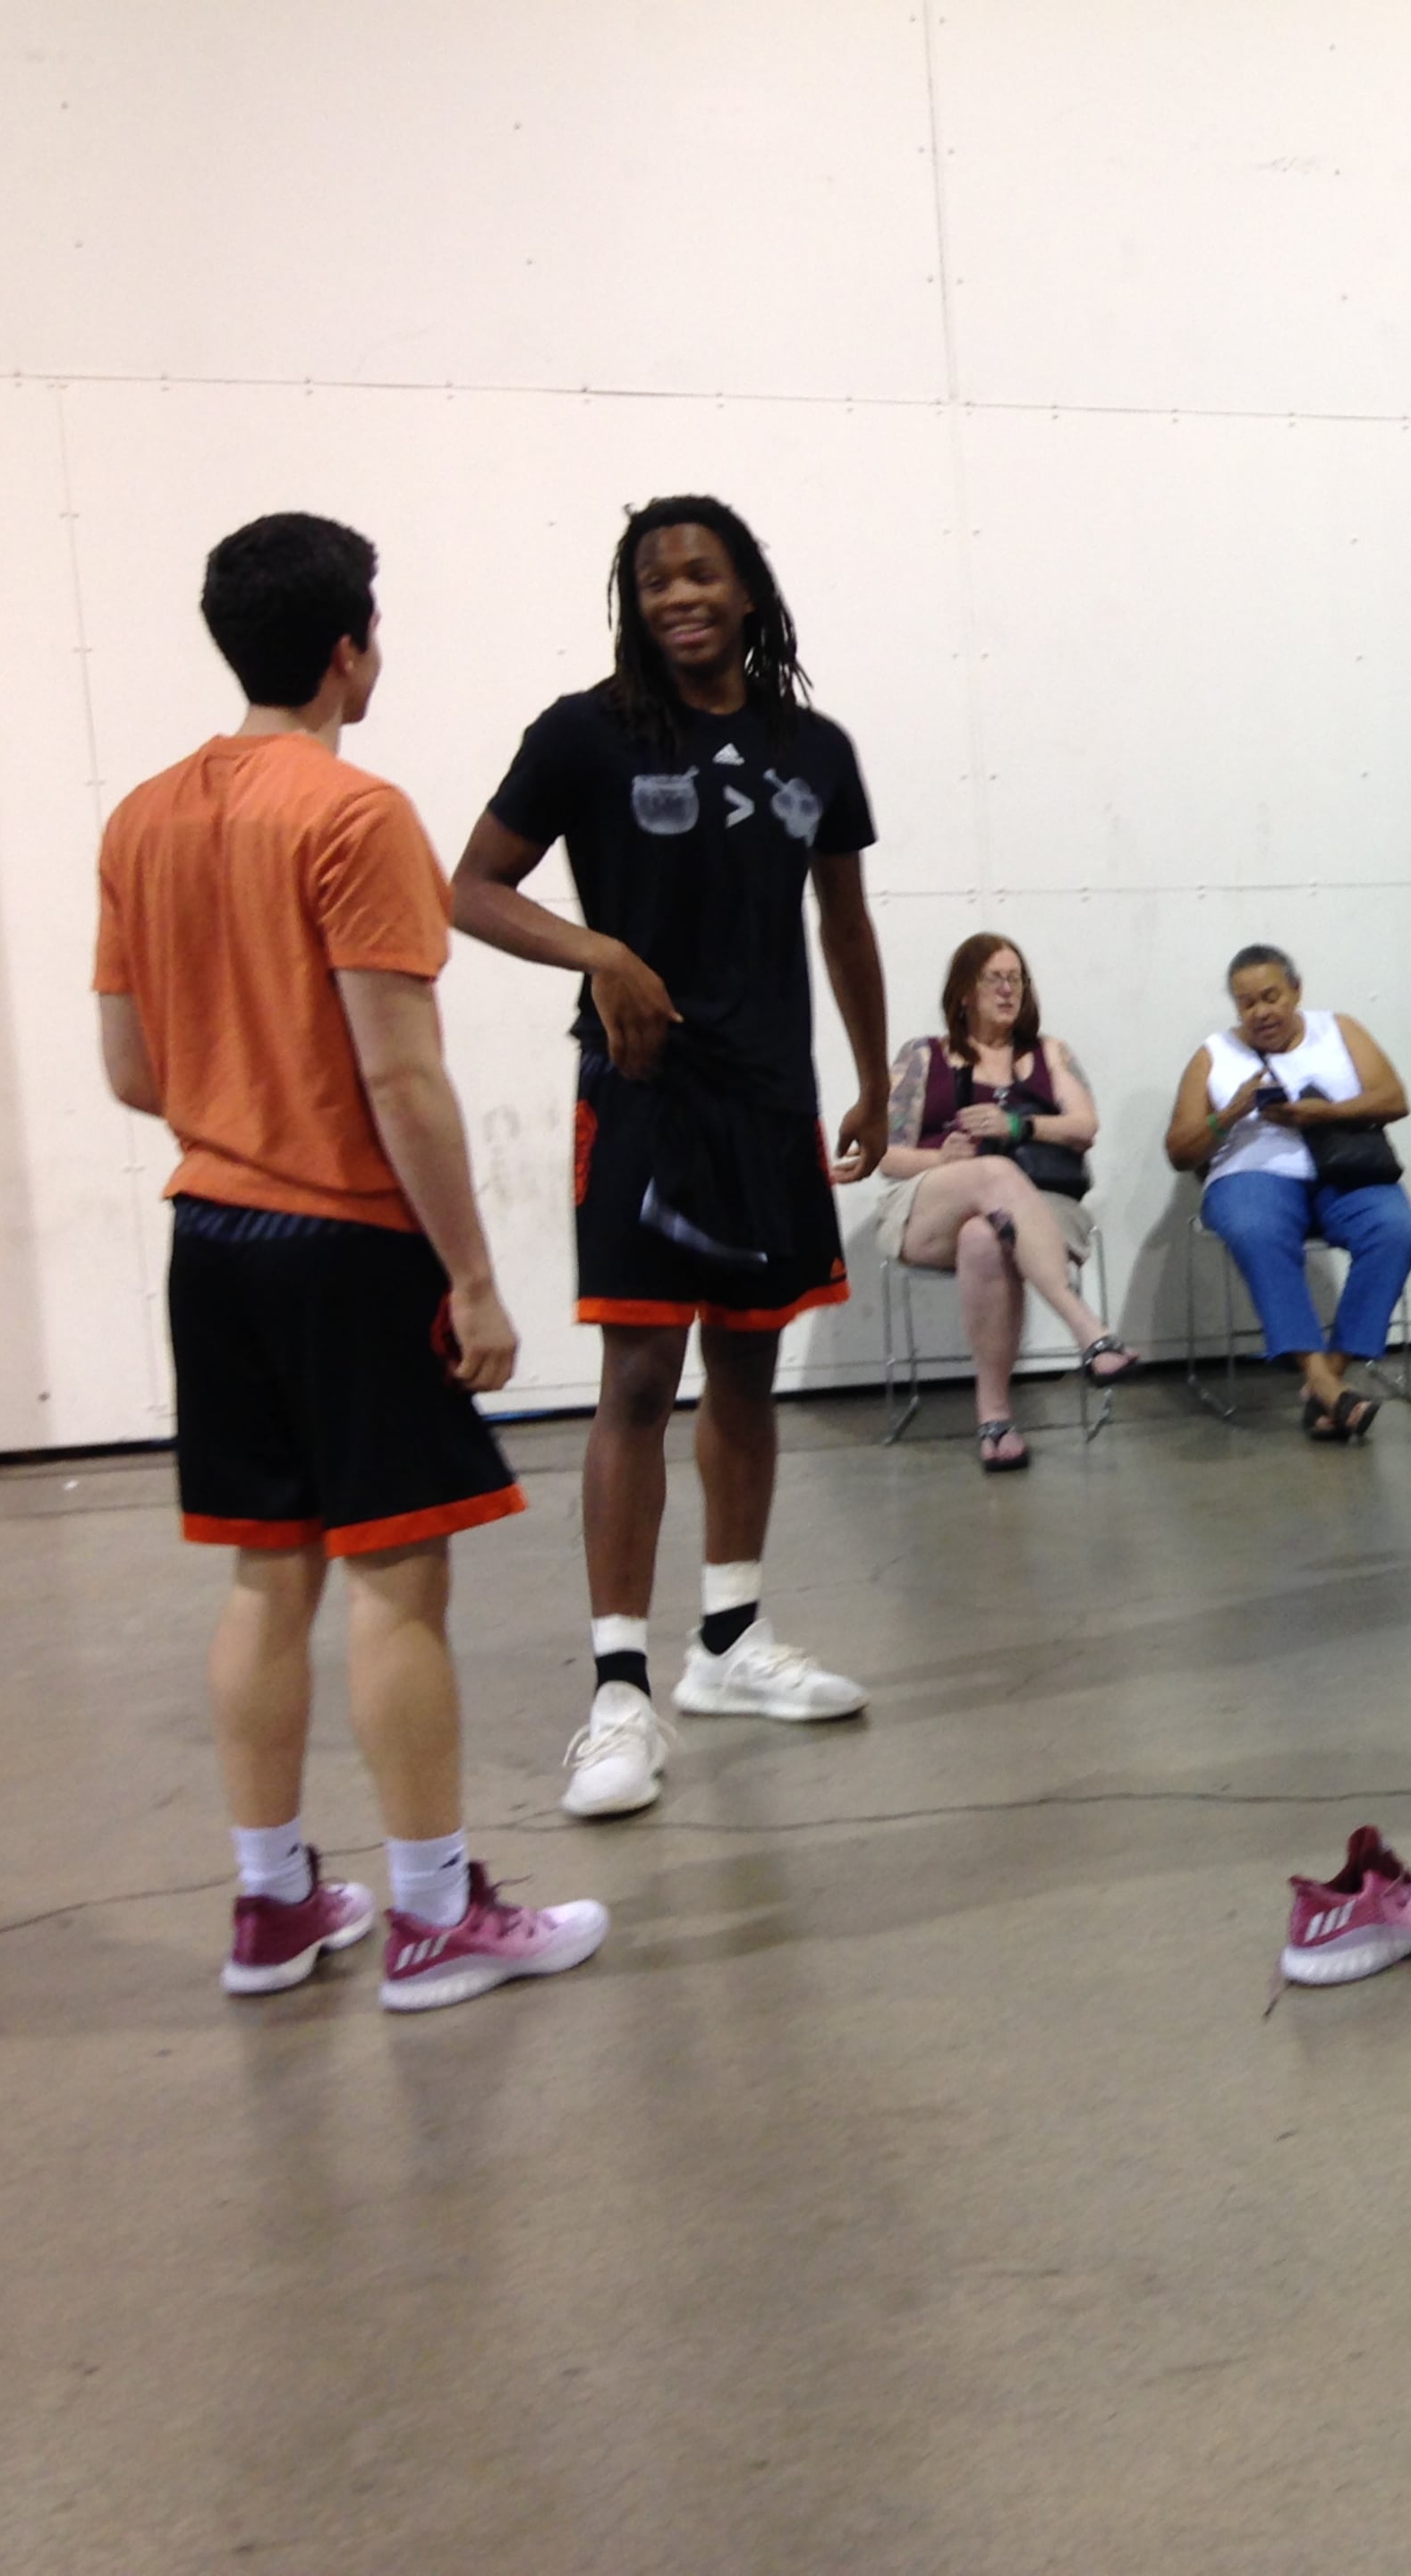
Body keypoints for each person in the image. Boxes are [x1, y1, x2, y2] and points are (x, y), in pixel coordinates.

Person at [94, 513, 608, 2010]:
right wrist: (474, 1276)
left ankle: (271, 1908)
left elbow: (132, 1069)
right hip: (343, 1244)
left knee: (267, 1582)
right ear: (347, 649)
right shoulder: (355, 810)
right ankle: (435, 1917)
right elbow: (404, 1080)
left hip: (212, 1236)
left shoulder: (138, 818)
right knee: (397, 1587)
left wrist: (234, 1100)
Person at [453, 496, 891, 1821]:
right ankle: (618, 1691)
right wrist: (599, 952)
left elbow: (846, 922)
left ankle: (730, 1644)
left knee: (750, 1363)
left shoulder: (813, 746)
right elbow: (469, 886)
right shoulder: (585, 732)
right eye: (653, 580)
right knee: (640, 1374)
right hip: (642, 1096)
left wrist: (873, 1075)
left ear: (749, 590)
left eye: (702, 573)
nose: (677, 595)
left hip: (769, 1100)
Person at [878, 934, 1135, 1471]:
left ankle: (994, 1420)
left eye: (1015, 978)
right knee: (993, 1173)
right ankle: (1087, 1329)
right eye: (993, 978)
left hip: (1040, 1208)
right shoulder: (922, 1056)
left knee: (984, 1237)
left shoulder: (1049, 1053)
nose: (1006, 989)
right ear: (964, 991)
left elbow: (1085, 1127)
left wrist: (1018, 1124)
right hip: (931, 1210)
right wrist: (941, 1162)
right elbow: (886, 1155)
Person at [1160, 945, 1411, 1443]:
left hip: (1342, 1170)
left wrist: (1324, 1114)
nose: (1261, 1012)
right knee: (1257, 1230)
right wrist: (1230, 1112)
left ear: (1296, 991)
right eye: (1246, 1003)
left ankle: (1328, 1382)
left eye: (1271, 996)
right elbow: (1179, 1151)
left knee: (1394, 1230)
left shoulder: (1339, 1030)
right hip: (1251, 1175)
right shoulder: (1214, 1055)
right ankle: (1323, 1383)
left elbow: (1394, 1099)